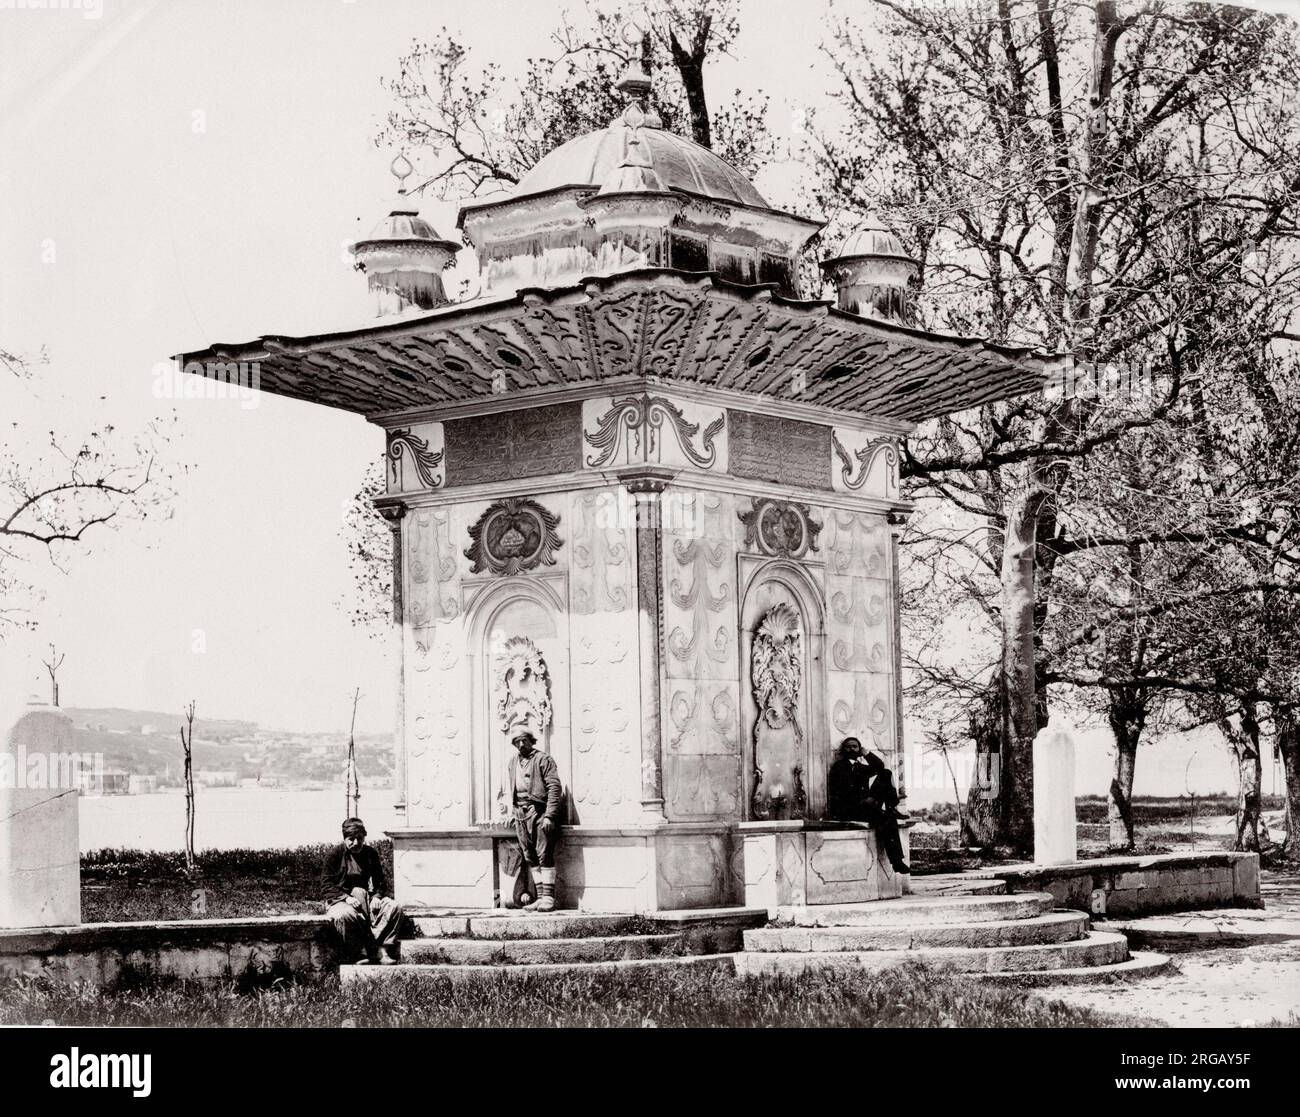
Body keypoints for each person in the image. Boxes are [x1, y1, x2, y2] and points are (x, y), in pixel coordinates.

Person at [321, 817, 404, 964]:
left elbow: (381, 883)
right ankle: (359, 951)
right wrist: (346, 898)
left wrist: (377, 897)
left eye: (360, 838)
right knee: (344, 915)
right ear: (344, 838)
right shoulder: (334, 855)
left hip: (365, 900)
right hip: (340, 900)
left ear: (364, 837)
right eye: (351, 839)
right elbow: (327, 886)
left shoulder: (371, 854)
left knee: (394, 907)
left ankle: (381, 950)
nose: (356, 843)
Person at [497, 728, 563, 912]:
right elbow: (513, 791)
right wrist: (512, 813)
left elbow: (554, 788)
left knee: (544, 853)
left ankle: (549, 898)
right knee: (529, 855)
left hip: (539, 812)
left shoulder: (543, 759)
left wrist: (549, 815)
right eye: (517, 741)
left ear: (532, 741)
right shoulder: (512, 763)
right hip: (520, 813)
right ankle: (540, 897)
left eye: (524, 740)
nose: (521, 744)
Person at [827, 737, 911, 874]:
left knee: (886, 775)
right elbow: (840, 793)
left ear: (859, 749)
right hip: (849, 809)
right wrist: (862, 801)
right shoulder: (839, 767)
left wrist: (866, 754)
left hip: (865, 808)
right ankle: (890, 810)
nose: (852, 749)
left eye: (855, 746)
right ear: (843, 750)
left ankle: (897, 862)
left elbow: (880, 766)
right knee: (885, 817)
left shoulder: (861, 767)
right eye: (848, 746)